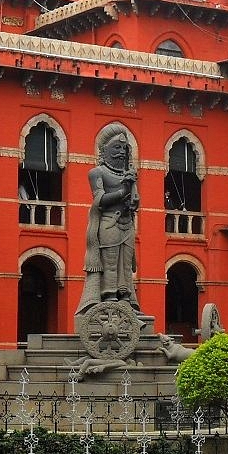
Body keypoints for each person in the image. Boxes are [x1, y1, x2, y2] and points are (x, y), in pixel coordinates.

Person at [75, 127, 140, 316]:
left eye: (124, 148)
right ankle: (110, 300)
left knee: (126, 267)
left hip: (127, 224)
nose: (122, 152)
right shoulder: (97, 173)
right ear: (104, 150)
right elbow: (99, 199)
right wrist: (123, 191)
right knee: (110, 264)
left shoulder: (129, 174)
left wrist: (132, 192)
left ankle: (126, 299)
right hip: (109, 222)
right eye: (117, 147)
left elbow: (135, 201)